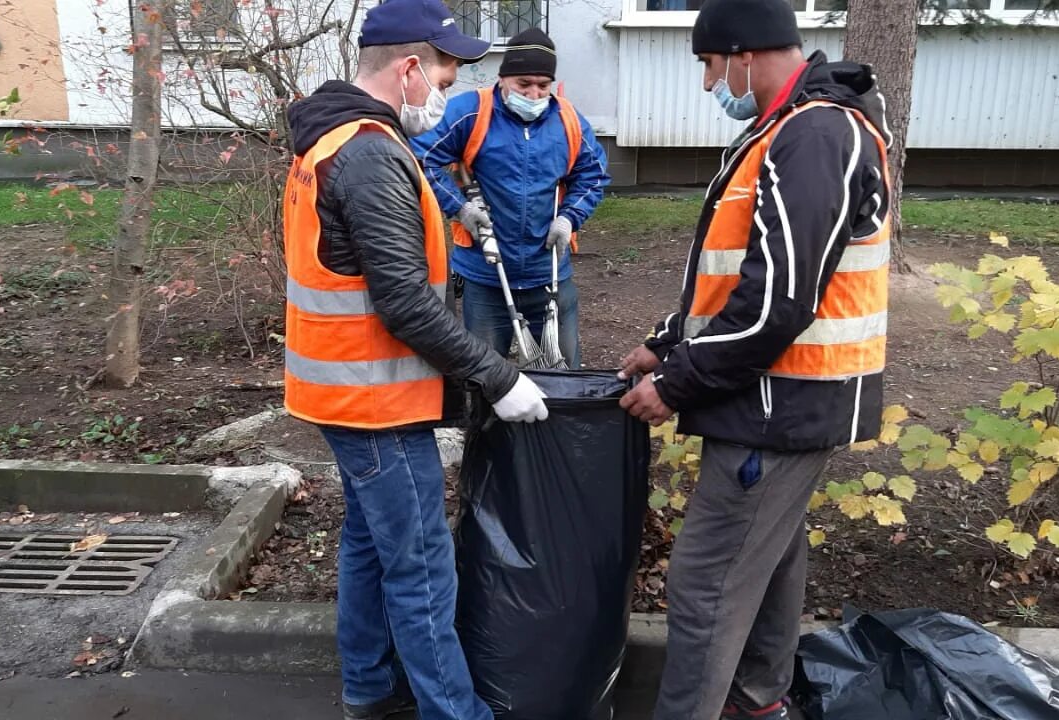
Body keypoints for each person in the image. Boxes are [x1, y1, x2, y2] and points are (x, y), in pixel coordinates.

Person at [616, 0, 892, 717]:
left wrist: (675, 385)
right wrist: (667, 340)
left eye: (710, 64)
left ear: (743, 52)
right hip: (775, 399)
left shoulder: (815, 136)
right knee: (767, 564)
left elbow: (778, 304)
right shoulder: (786, 131)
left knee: (706, 581)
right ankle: (758, 700)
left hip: (779, 403)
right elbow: (737, 279)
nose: (710, 84)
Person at [281, 1, 550, 718]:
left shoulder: (334, 137)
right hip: (374, 403)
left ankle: (368, 688)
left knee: (370, 541)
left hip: (345, 394)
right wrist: (499, 376)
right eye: (447, 71)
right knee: (423, 568)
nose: (450, 87)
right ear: (408, 70)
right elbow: (404, 302)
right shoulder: (367, 152)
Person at [412, 28, 610, 370]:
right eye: (524, 84)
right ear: (503, 79)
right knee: (485, 377)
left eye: (543, 86)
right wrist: (459, 207)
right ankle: (486, 425)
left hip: (547, 274)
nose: (534, 94)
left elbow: (592, 176)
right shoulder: (471, 114)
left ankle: (558, 423)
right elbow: (418, 158)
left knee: (564, 376)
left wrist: (568, 218)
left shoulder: (568, 121)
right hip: (485, 276)